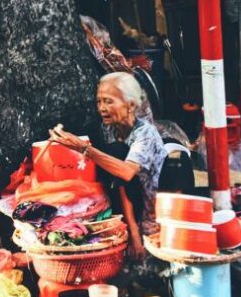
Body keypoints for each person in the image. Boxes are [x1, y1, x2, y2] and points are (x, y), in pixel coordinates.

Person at [49, 71, 166, 259]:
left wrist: (83, 148)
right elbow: (119, 182)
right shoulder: (109, 129)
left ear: (131, 105)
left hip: (156, 221)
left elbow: (126, 172)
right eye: (99, 102)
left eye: (109, 101)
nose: (102, 108)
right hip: (132, 213)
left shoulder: (146, 134)